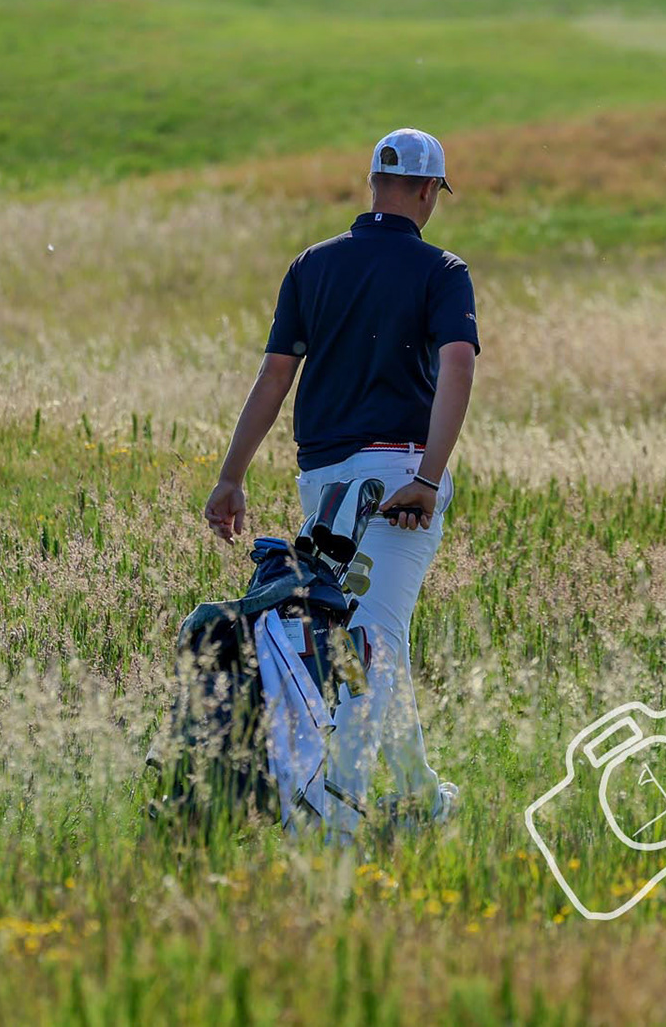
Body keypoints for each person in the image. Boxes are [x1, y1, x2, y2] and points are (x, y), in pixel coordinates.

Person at [203, 127, 478, 829]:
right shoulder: (442, 270)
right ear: (428, 190)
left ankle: (418, 795)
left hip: (321, 477)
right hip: (398, 480)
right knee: (370, 644)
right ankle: (336, 816)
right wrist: (428, 476)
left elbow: (275, 375)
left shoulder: (312, 264)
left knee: (373, 632)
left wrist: (231, 476)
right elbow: (458, 365)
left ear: (374, 184)